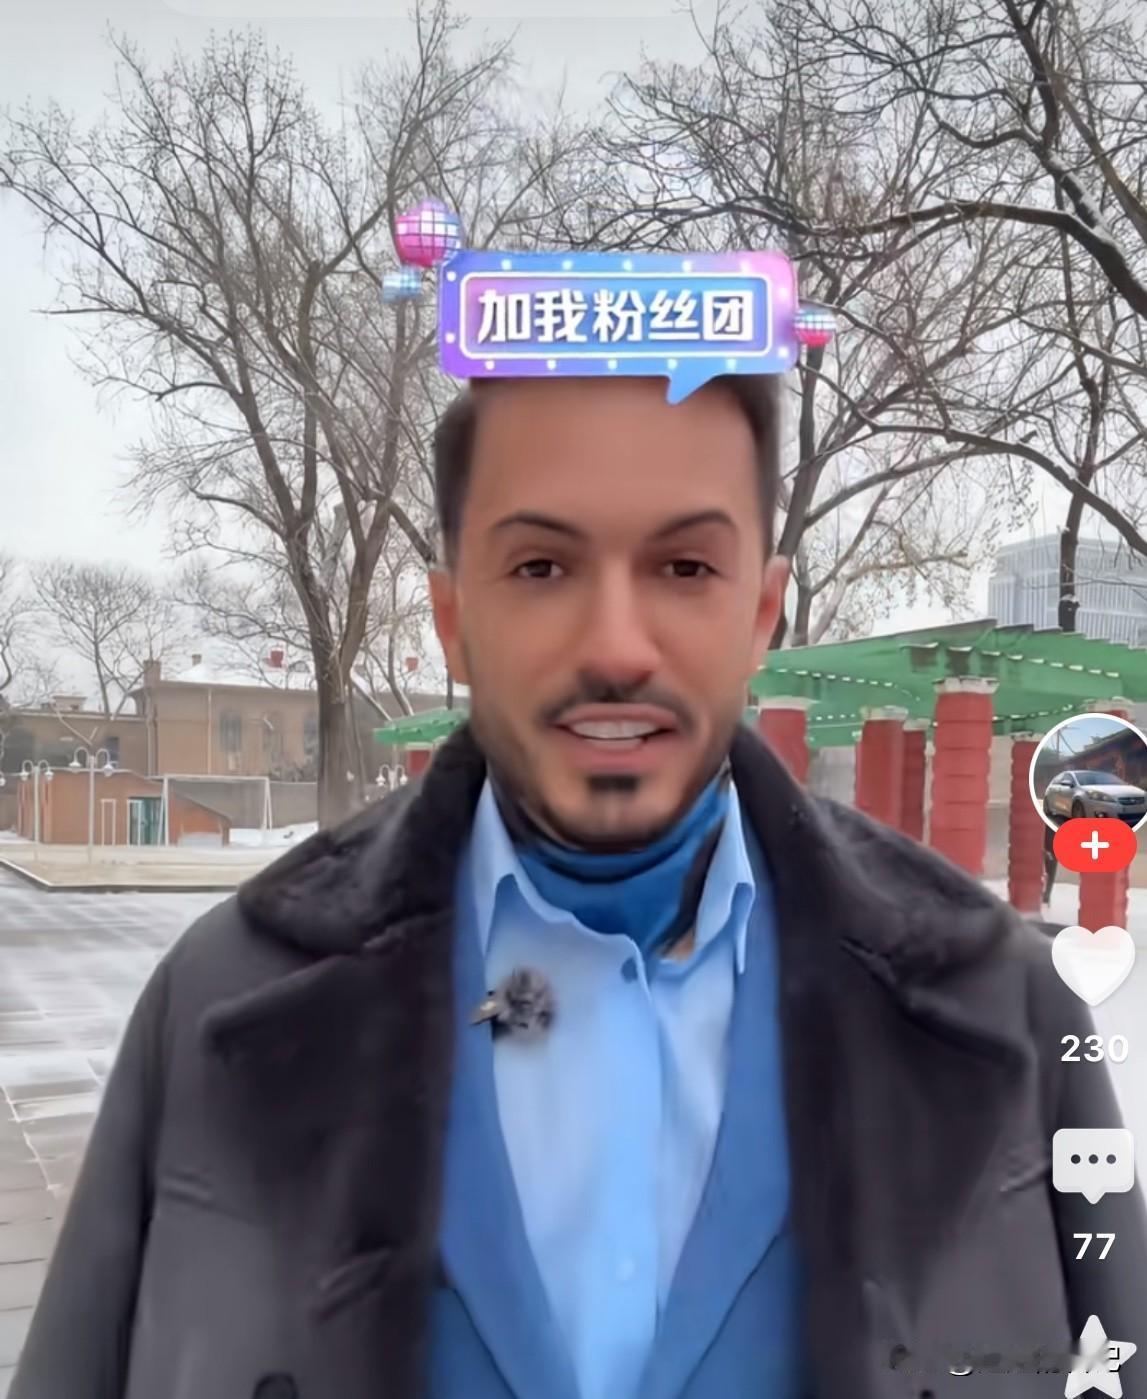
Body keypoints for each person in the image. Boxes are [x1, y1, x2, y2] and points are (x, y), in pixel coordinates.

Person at [13, 374, 1147, 1399]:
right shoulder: (215, 1006)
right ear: (454, 620)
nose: (615, 646)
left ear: (760, 612)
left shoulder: (1004, 1003)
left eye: (685, 567)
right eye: (541, 567)